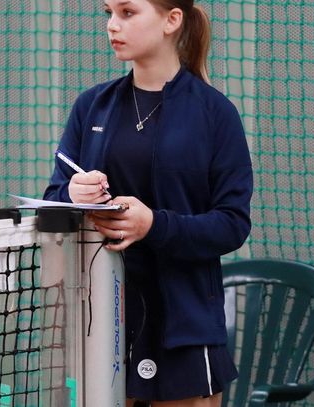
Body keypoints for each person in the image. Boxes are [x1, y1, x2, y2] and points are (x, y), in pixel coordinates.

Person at [43, 0, 253, 405]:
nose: (112, 25)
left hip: (185, 328)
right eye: (108, 13)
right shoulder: (91, 106)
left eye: (127, 12)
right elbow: (53, 199)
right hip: (101, 326)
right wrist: (72, 195)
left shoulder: (216, 113)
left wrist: (153, 225)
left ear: (172, 20)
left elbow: (232, 224)